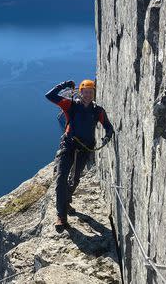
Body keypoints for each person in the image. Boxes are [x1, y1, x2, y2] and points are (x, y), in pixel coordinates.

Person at [45, 79, 114, 232]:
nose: (88, 95)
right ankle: (61, 216)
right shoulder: (70, 105)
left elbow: (108, 127)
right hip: (68, 145)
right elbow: (49, 96)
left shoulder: (98, 111)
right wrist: (63, 84)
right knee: (61, 178)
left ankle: (66, 200)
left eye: (91, 92)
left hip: (85, 148)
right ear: (80, 92)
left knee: (75, 178)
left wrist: (107, 136)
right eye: (86, 92)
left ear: (93, 93)